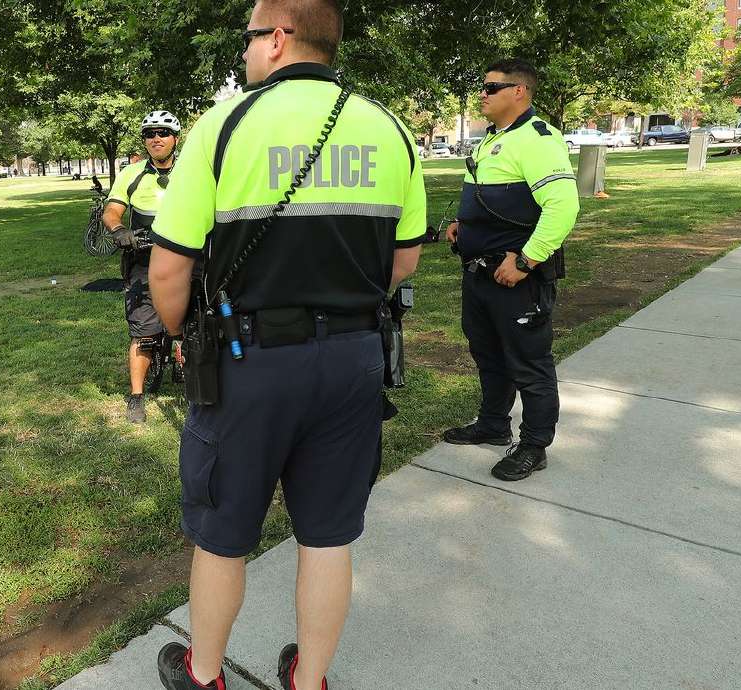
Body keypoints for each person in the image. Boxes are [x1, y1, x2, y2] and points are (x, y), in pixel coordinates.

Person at [147, 1, 425, 687]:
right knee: (329, 534)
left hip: (249, 364)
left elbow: (168, 268)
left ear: (278, 38)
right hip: (355, 361)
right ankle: (310, 679)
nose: (243, 52)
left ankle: (204, 672)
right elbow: (405, 263)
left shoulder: (224, 124)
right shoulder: (390, 129)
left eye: (248, 38)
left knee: (223, 533)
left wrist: (185, 338)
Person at [441, 58, 579, 482]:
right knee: (487, 353)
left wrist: (525, 261)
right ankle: (493, 425)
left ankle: (534, 445)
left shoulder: (536, 139)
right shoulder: (492, 140)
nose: (482, 94)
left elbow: (563, 206)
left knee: (529, 362)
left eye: (491, 87)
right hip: (480, 275)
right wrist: (464, 225)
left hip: (516, 279)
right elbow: (495, 200)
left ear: (518, 91)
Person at [102, 110, 182, 423]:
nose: (156, 138)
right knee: (143, 329)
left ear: (175, 138)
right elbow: (112, 211)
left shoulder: (191, 170)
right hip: (144, 256)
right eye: (150, 134)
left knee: (201, 319)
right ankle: (136, 396)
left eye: (163, 132)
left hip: (185, 256)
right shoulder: (130, 174)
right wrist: (118, 230)